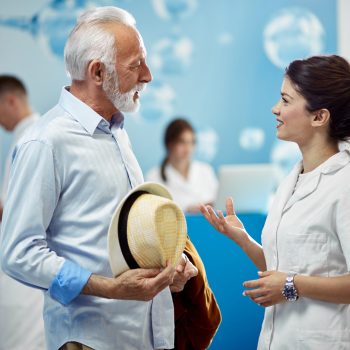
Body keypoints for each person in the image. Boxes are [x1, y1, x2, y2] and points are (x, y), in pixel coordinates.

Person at [0, 7, 198, 350]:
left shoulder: (117, 132)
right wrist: (110, 288)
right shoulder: (46, 142)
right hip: (92, 341)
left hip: (145, 337)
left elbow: (116, 234)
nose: (148, 75)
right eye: (136, 64)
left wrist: (171, 270)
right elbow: (18, 252)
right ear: (97, 71)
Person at [200, 55, 350, 349]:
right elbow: (284, 266)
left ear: (319, 117)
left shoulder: (344, 183)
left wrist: (292, 285)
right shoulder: (293, 178)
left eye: (285, 100)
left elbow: (289, 280)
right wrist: (243, 240)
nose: (275, 109)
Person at [0, 75, 45, 350]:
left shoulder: (31, 138)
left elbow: (19, 209)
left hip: (26, 269)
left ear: (11, 101)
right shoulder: (29, 136)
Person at [147, 118, 218, 213]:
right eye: (182, 142)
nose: (188, 149)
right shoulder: (154, 177)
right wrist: (187, 209)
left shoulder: (206, 171)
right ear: (170, 144)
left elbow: (219, 203)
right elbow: (154, 212)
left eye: (191, 142)